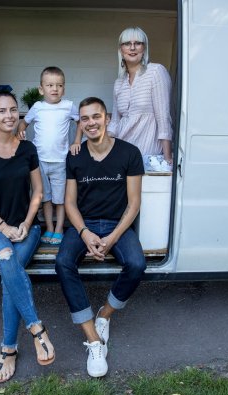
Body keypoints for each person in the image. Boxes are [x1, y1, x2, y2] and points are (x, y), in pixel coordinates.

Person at [0, 91, 55, 383]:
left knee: (9, 273)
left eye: (13, 110)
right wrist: (3, 226)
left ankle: (8, 350)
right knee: (7, 259)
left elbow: (38, 191)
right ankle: (37, 329)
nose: (9, 115)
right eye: (2, 111)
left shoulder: (27, 148)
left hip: (27, 228)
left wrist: (27, 223)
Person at [55, 97, 146, 377]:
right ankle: (94, 339)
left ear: (107, 118)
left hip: (118, 224)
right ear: (80, 124)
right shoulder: (75, 156)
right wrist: (84, 233)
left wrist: (112, 238)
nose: (91, 122)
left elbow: (134, 203)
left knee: (137, 264)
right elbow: (70, 203)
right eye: (85, 118)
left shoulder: (129, 153)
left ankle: (104, 314)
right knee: (63, 262)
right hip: (83, 224)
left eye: (96, 116)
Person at [73, 27, 173, 170]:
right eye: (127, 43)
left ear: (144, 48)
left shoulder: (156, 72)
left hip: (147, 153)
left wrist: (167, 157)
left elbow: (163, 117)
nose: (132, 48)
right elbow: (115, 122)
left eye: (138, 43)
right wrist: (98, 143)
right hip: (121, 151)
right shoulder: (119, 82)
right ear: (121, 49)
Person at [17, 66, 81, 245]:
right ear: (41, 89)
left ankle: (59, 229)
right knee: (45, 198)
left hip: (60, 161)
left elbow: (81, 122)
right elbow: (23, 123)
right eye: (50, 85)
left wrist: (77, 141)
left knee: (60, 199)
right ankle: (50, 228)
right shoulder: (38, 107)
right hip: (40, 162)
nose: (55, 89)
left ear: (64, 89)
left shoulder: (68, 106)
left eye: (59, 85)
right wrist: (20, 133)